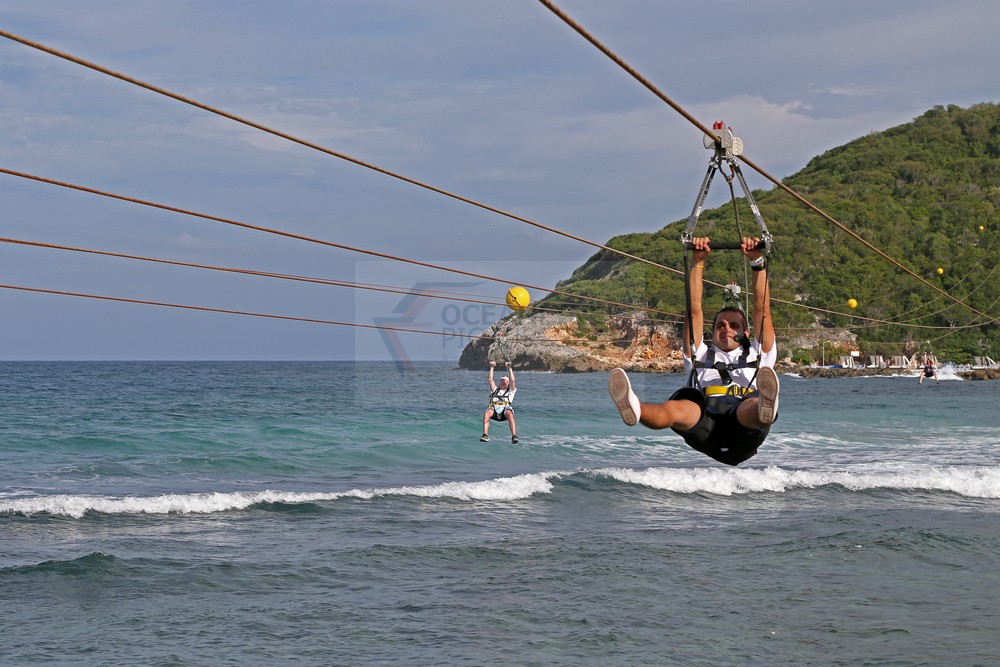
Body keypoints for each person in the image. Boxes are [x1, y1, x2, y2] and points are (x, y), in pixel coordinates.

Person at [608, 236, 780, 466]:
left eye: (734, 325)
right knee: (676, 409)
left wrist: (757, 261)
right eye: (720, 325)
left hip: (744, 428)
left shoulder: (759, 352)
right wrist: (697, 261)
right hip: (706, 424)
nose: (726, 329)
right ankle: (635, 409)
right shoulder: (699, 353)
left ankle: (763, 408)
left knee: (750, 403)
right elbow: (694, 311)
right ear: (713, 332)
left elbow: (762, 308)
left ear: (746, 333)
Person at [481, 361, 518, 443]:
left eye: (505, 381)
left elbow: (512, 380)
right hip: (494, 410)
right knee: (487, 413)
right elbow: (490, 380)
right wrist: (491, 367)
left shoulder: (511, 391)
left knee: (509, 413)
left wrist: (509, 368)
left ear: (508, 383)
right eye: (502, 380)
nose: (503, 382)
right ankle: (485, 435)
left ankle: (514, 436)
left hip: (505, 411)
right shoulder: (495, 390)